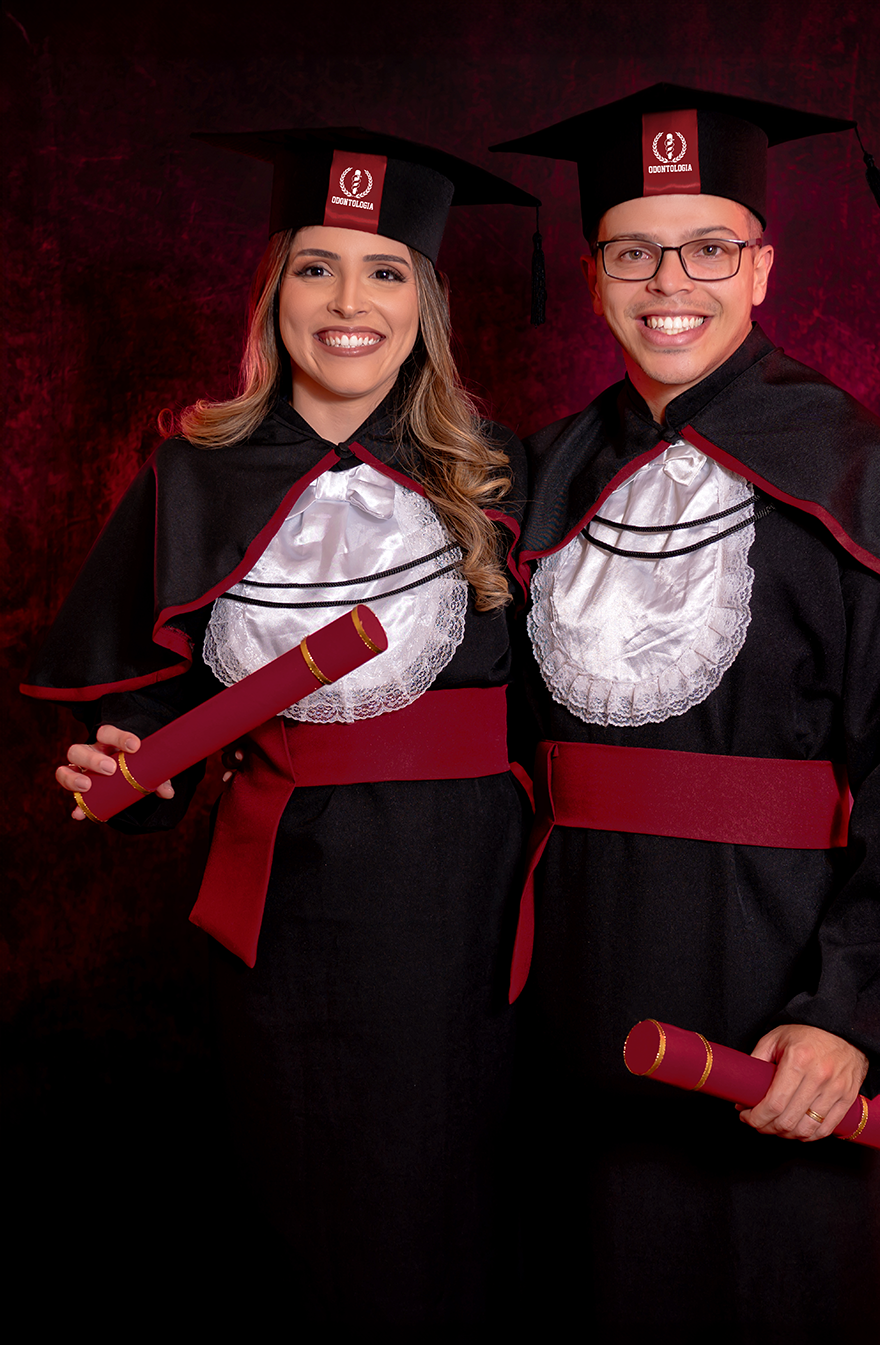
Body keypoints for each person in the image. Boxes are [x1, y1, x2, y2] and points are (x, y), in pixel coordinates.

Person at [491, 85, 880, 1338]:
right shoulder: (539, 475)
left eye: (708, 248)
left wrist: (849, 1022)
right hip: (566, 995)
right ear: (591, 279)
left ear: (761, 268)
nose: (668, 283)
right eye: (633, 252)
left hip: (771, 988)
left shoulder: (865, 481)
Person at [22, 128, 540, 1326]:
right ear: (273, 293)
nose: (349, 302)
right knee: (305, 1222)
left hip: (474, 910)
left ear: (425, 306)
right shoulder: (192, 475)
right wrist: (128, 768)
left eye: (385, 271)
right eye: (317, 267)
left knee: (465, 1225)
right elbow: (152, 708)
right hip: (286, 910)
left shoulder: (502, 475)